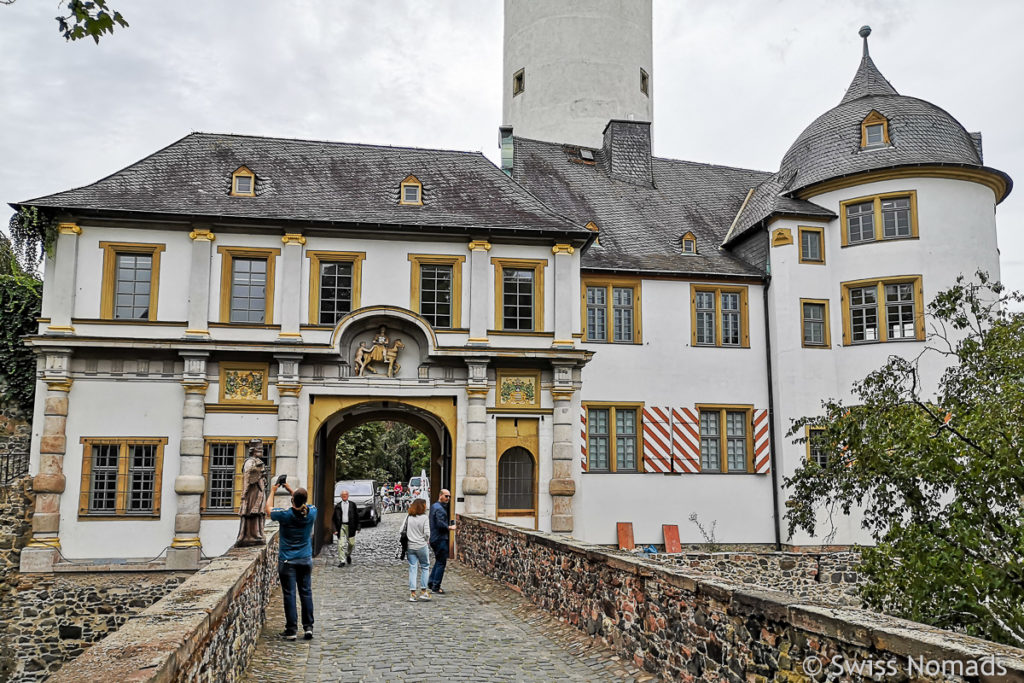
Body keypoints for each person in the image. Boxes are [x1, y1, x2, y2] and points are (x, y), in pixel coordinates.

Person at [265, 478, 317, 641]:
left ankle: (291, 629)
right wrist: (289, 489)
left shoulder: (285, 515)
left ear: (292, 500)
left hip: (288, 561)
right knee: (306, 592)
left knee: (290, 594)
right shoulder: (312, 512)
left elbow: (268, 510)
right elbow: (301, 500)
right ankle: (308, 627)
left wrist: (273, 490)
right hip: (305, 559)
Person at [403, 498, 431, 602]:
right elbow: (427, 533)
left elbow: (401, 530)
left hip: (410, 546)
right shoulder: (424, 518)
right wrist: (425, 540)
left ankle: (413, 593)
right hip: (421, 545)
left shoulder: (409, 517)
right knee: (425, 567)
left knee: (413, 568)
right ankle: (424, 591)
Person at [428, 488, 456, 594]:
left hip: (435, 538)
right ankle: (436, 585)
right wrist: (450, 527)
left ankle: (431, 582)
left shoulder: (434, 506)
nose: (448, 498)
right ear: (440, 496)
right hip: (440, 538)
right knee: (441, 562)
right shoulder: (439, 509)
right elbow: (440, 524)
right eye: (446, 496)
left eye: (449, 496)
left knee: (438, 561)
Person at [332, 489, 360, 566]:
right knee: (341, 544)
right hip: (341, 526)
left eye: (346, 495)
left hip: (351, 526)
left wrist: (358, 527)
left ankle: (348, 554)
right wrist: (334, 529)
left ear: (348, 496)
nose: (344, 496)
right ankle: (342, 560)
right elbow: (333, 519)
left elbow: (357, 516)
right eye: (343, 495)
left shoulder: (352, 505)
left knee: (351, 543)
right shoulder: (338, 506)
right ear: (341, 496)